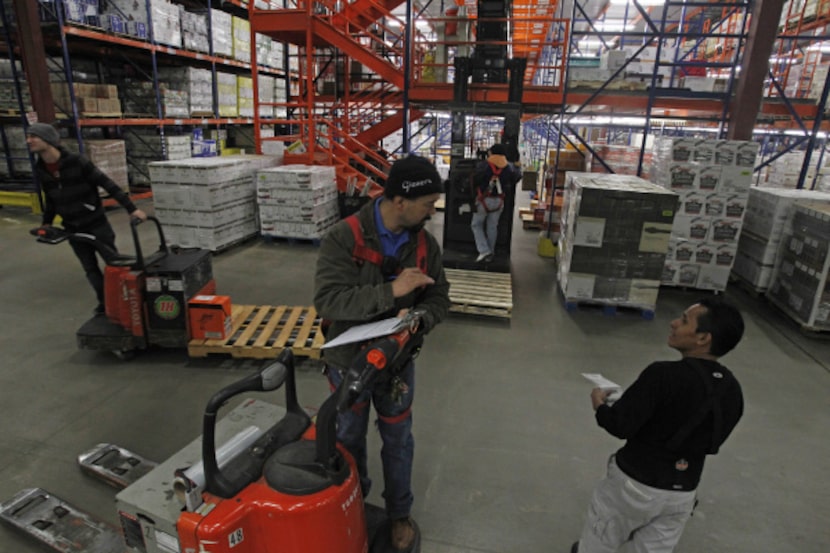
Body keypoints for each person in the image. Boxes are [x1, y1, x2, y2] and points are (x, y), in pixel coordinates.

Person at [314, 155, 450, 551]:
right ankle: (356, 503)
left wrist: (420, 318)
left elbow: (440, 295)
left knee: (399, 439)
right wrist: (391, 291)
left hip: (396, 365)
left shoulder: (425, 244)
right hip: (348, 364)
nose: (432, 211)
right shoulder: (345, 238)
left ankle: (397, 513)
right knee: (349, 437)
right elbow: (328, 302)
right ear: (401, 201)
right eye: (428, 203)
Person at [572, 298, 745, 553]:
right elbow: (711, 438)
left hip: (634, 484)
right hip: (683, 492)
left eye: (684, 320)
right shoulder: (732, 389)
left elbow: (620, 425)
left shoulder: (662, 375)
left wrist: (600, 406)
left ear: (702, 338)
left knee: (600, 541)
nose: (674, 323)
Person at [27, 122, 147, 314]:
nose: (29, 140)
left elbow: (108, 184)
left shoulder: (77, 162)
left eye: (34, 136)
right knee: (90, 269)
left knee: (114, 264)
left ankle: (125, 302)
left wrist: (132, 209)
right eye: (28, 136)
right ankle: (105, 304)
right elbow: (50, 197)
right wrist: (47, 223)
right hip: (72, 228)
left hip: (95, 224)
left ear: (48, 140)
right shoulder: (41, 168)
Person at [470, 143, 520, 263]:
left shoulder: (484, 165)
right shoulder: (509, 167)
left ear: (491, 153)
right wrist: (517, 165)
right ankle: (490, 253)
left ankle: (483, 250)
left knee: (476, 225)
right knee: (492, 227)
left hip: (484, 200)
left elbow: (474, 179)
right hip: (499, 202)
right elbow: (516, 177)